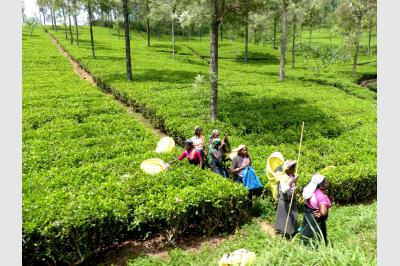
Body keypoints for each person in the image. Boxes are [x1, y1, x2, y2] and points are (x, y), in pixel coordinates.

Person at [301, 174, 331, 246]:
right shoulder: (321, 196)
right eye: (326, 182)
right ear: (321, 186)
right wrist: (321, 213)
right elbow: (323, 213)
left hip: (309, 216)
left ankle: (305, 245)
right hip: (317, 220)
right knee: (317, 235)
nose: (328, 183)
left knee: (308, 232)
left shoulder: (312, 192)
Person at [275, 160, 298, 238]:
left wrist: (294, 180)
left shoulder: (293, 175)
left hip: (292, 198)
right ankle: (282, 232)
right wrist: (292, 181)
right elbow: (284, 189)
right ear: (288, 169)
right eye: (293, 168)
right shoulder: (283, 177)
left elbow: (293, 186)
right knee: (284, 215)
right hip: (285, 199)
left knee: (293, 215)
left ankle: (292, 231)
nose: (294, 169)